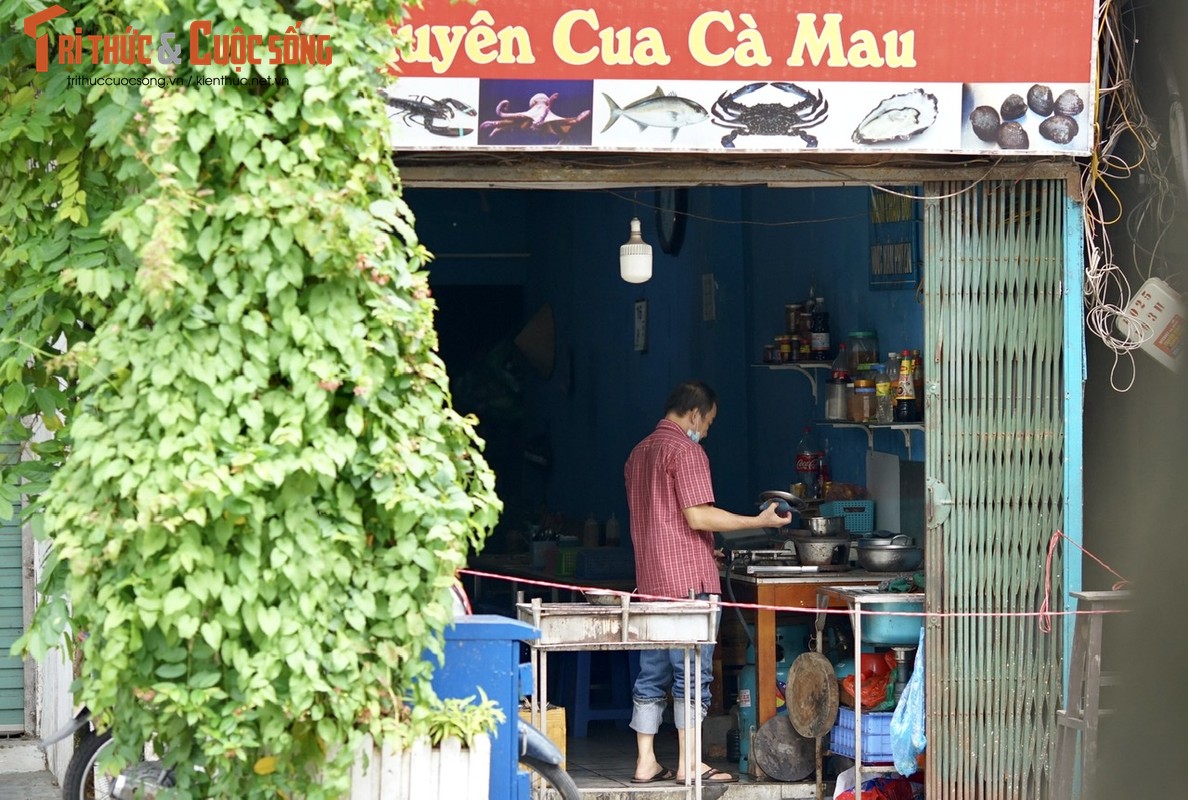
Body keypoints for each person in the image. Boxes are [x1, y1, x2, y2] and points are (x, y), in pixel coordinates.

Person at [625, 380, 788, 784]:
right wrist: (759, 521)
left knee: (652, 672)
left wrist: (703, 548)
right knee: (693, 673)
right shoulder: (686, 450)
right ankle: (689, 762)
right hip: (688, 585)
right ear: (695, 413)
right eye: (709, 422)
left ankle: (645, 761)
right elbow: (698, 516)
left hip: (651, 582)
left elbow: (664, 522)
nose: (708, 430)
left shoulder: (638, 454)